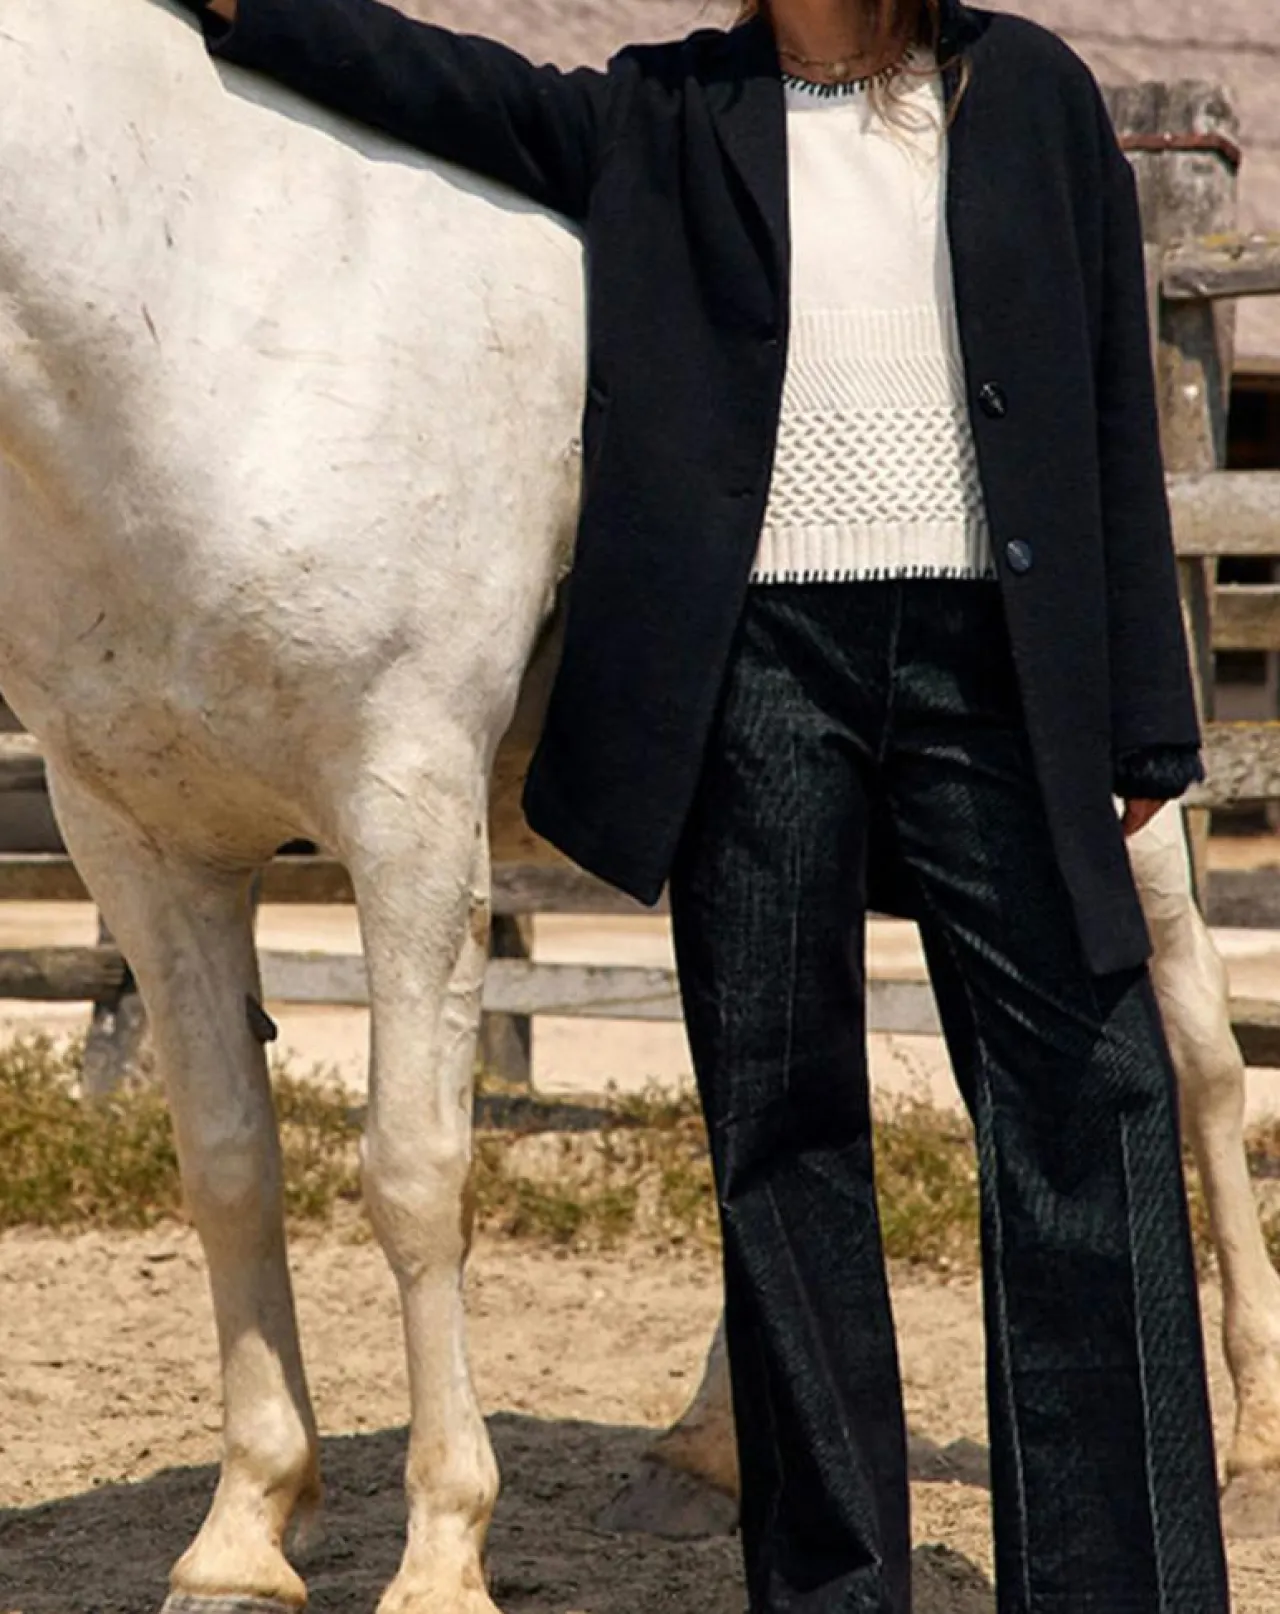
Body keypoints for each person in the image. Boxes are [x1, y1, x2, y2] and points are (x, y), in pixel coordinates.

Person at [175, 0, 1232, 1609]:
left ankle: (1116, 1588)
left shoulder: (1032, 94)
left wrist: (1146, 717)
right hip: (760, 669)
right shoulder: (665, 112)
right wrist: (254, 9)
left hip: (1000, 660)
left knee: (1094, 1099)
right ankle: (833, 1588)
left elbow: (1106, 404)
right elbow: (449, 85)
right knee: (779, 1137)